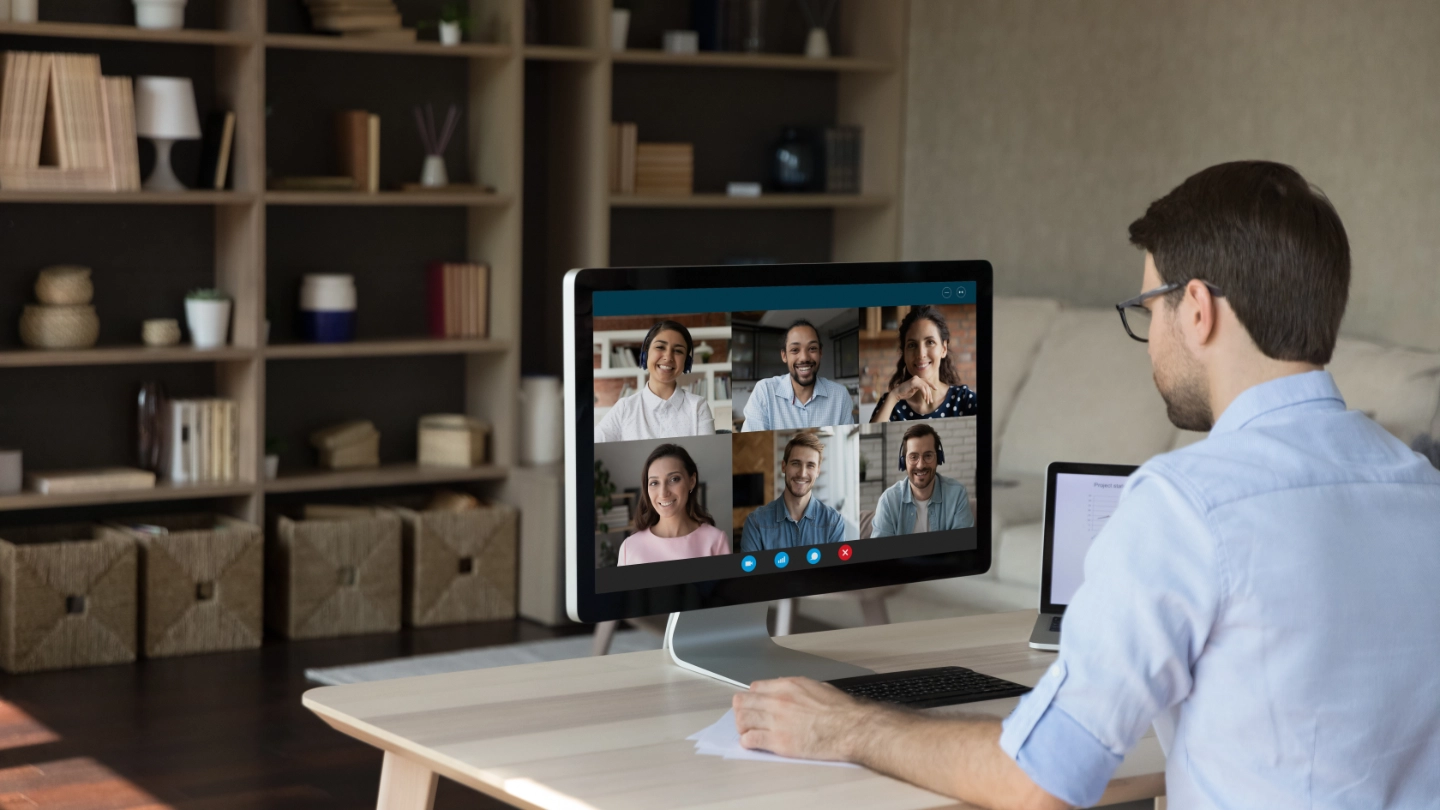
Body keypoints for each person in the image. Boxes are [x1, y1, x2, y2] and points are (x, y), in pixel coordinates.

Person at [732, 161, 1440, 808]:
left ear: (1196, 308)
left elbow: (1038, 780)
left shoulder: (1186, 505)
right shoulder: (1423, 490)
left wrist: (845, 726)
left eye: (1148, 310)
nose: (1152, 337)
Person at [596, 320, 715, 443]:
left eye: (678, 351)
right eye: (660, 347)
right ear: (646, 354)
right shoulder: (625, 408)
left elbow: (710, 456)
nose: (668, 357)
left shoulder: (698, 407)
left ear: (686, 362)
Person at [617, 444, 729, 565]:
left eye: (674, 479)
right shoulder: (629, 547)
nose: (663, 493)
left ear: (691, 481)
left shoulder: (716, 541)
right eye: (654, 483)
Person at [740, 431, 846, 552]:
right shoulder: (756, 523)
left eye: (810, 465)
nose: (802, 473)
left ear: (818, 471)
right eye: (796, 463)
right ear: (784, 466)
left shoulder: (834, 522)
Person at [869, 306, 978, 422]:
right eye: (912, 345)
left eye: (930, 342)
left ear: (944, 349)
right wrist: (894, 396)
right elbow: (870, 439)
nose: (920, 354)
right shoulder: (890, 403)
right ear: (904, 353)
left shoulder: (965, 400)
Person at [743, 319, 856, 431]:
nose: (804, 358)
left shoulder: (840, 396)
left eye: (812, 348)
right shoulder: (765, 392)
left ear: (820, 352)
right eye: (795, 350)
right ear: (784, 356)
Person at [870, 423, 973, 536]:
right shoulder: (888, 502)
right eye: (913, 457)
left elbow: (962, 550)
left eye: (928, 456)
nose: (920, 465)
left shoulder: (957, 495)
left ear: (938, 458)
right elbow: (882, 552)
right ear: (903, 462)